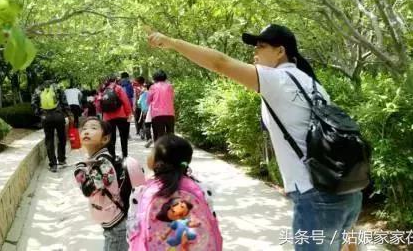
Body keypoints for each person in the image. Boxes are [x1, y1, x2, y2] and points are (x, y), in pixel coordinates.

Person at [146, 24, 363, 251]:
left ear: (281, 51)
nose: (255, 52)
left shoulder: (278, 79)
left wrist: (172, 42)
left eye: (261, 46)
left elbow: (220, 63)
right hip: (346, 193)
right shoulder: (312, 83)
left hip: (316, 198)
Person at [126, 134, 223, 250]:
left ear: (157, 161)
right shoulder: (201, 187)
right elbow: (211, 221)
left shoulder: (141, 191)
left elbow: (132, 230)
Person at [74, 117, 128, 251]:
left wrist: (79, 171)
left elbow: (88, 189)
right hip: (112, 221)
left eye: (93, 128)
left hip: (116, 224)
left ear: (105, 139)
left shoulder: (103, 162)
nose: (87, 132)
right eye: (84, 129)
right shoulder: (95, 159)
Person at [32, 80, 71, 173]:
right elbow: (64, 102)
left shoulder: (38, 89)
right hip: (58, 116)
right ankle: (61, 160)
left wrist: (40, 114)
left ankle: (53, 164)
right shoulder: (57, 88)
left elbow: (33, 103)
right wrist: (68, 114)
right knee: (61, 137)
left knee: (49, 140)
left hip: (46, 117)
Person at [97, 74, 132, 158]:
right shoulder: (118, 88)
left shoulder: (102, 90)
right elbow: (125, 101)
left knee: (111, 139)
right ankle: (125, 155)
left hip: (108, 118)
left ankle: (112, 156)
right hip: (121, 116)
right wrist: (129, 113)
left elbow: (98, 106)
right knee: (123, 137)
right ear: (115, 80)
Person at [147, 70, 175, 142]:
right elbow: (172, 98)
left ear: (155, 78)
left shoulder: (153, 87)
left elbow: (148, 100)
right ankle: (171, 151)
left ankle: (158, 151)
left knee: (158, 135)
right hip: (170, 114)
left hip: (157, 114)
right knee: (171, 135)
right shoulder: (170, 86)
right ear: (165, 77)